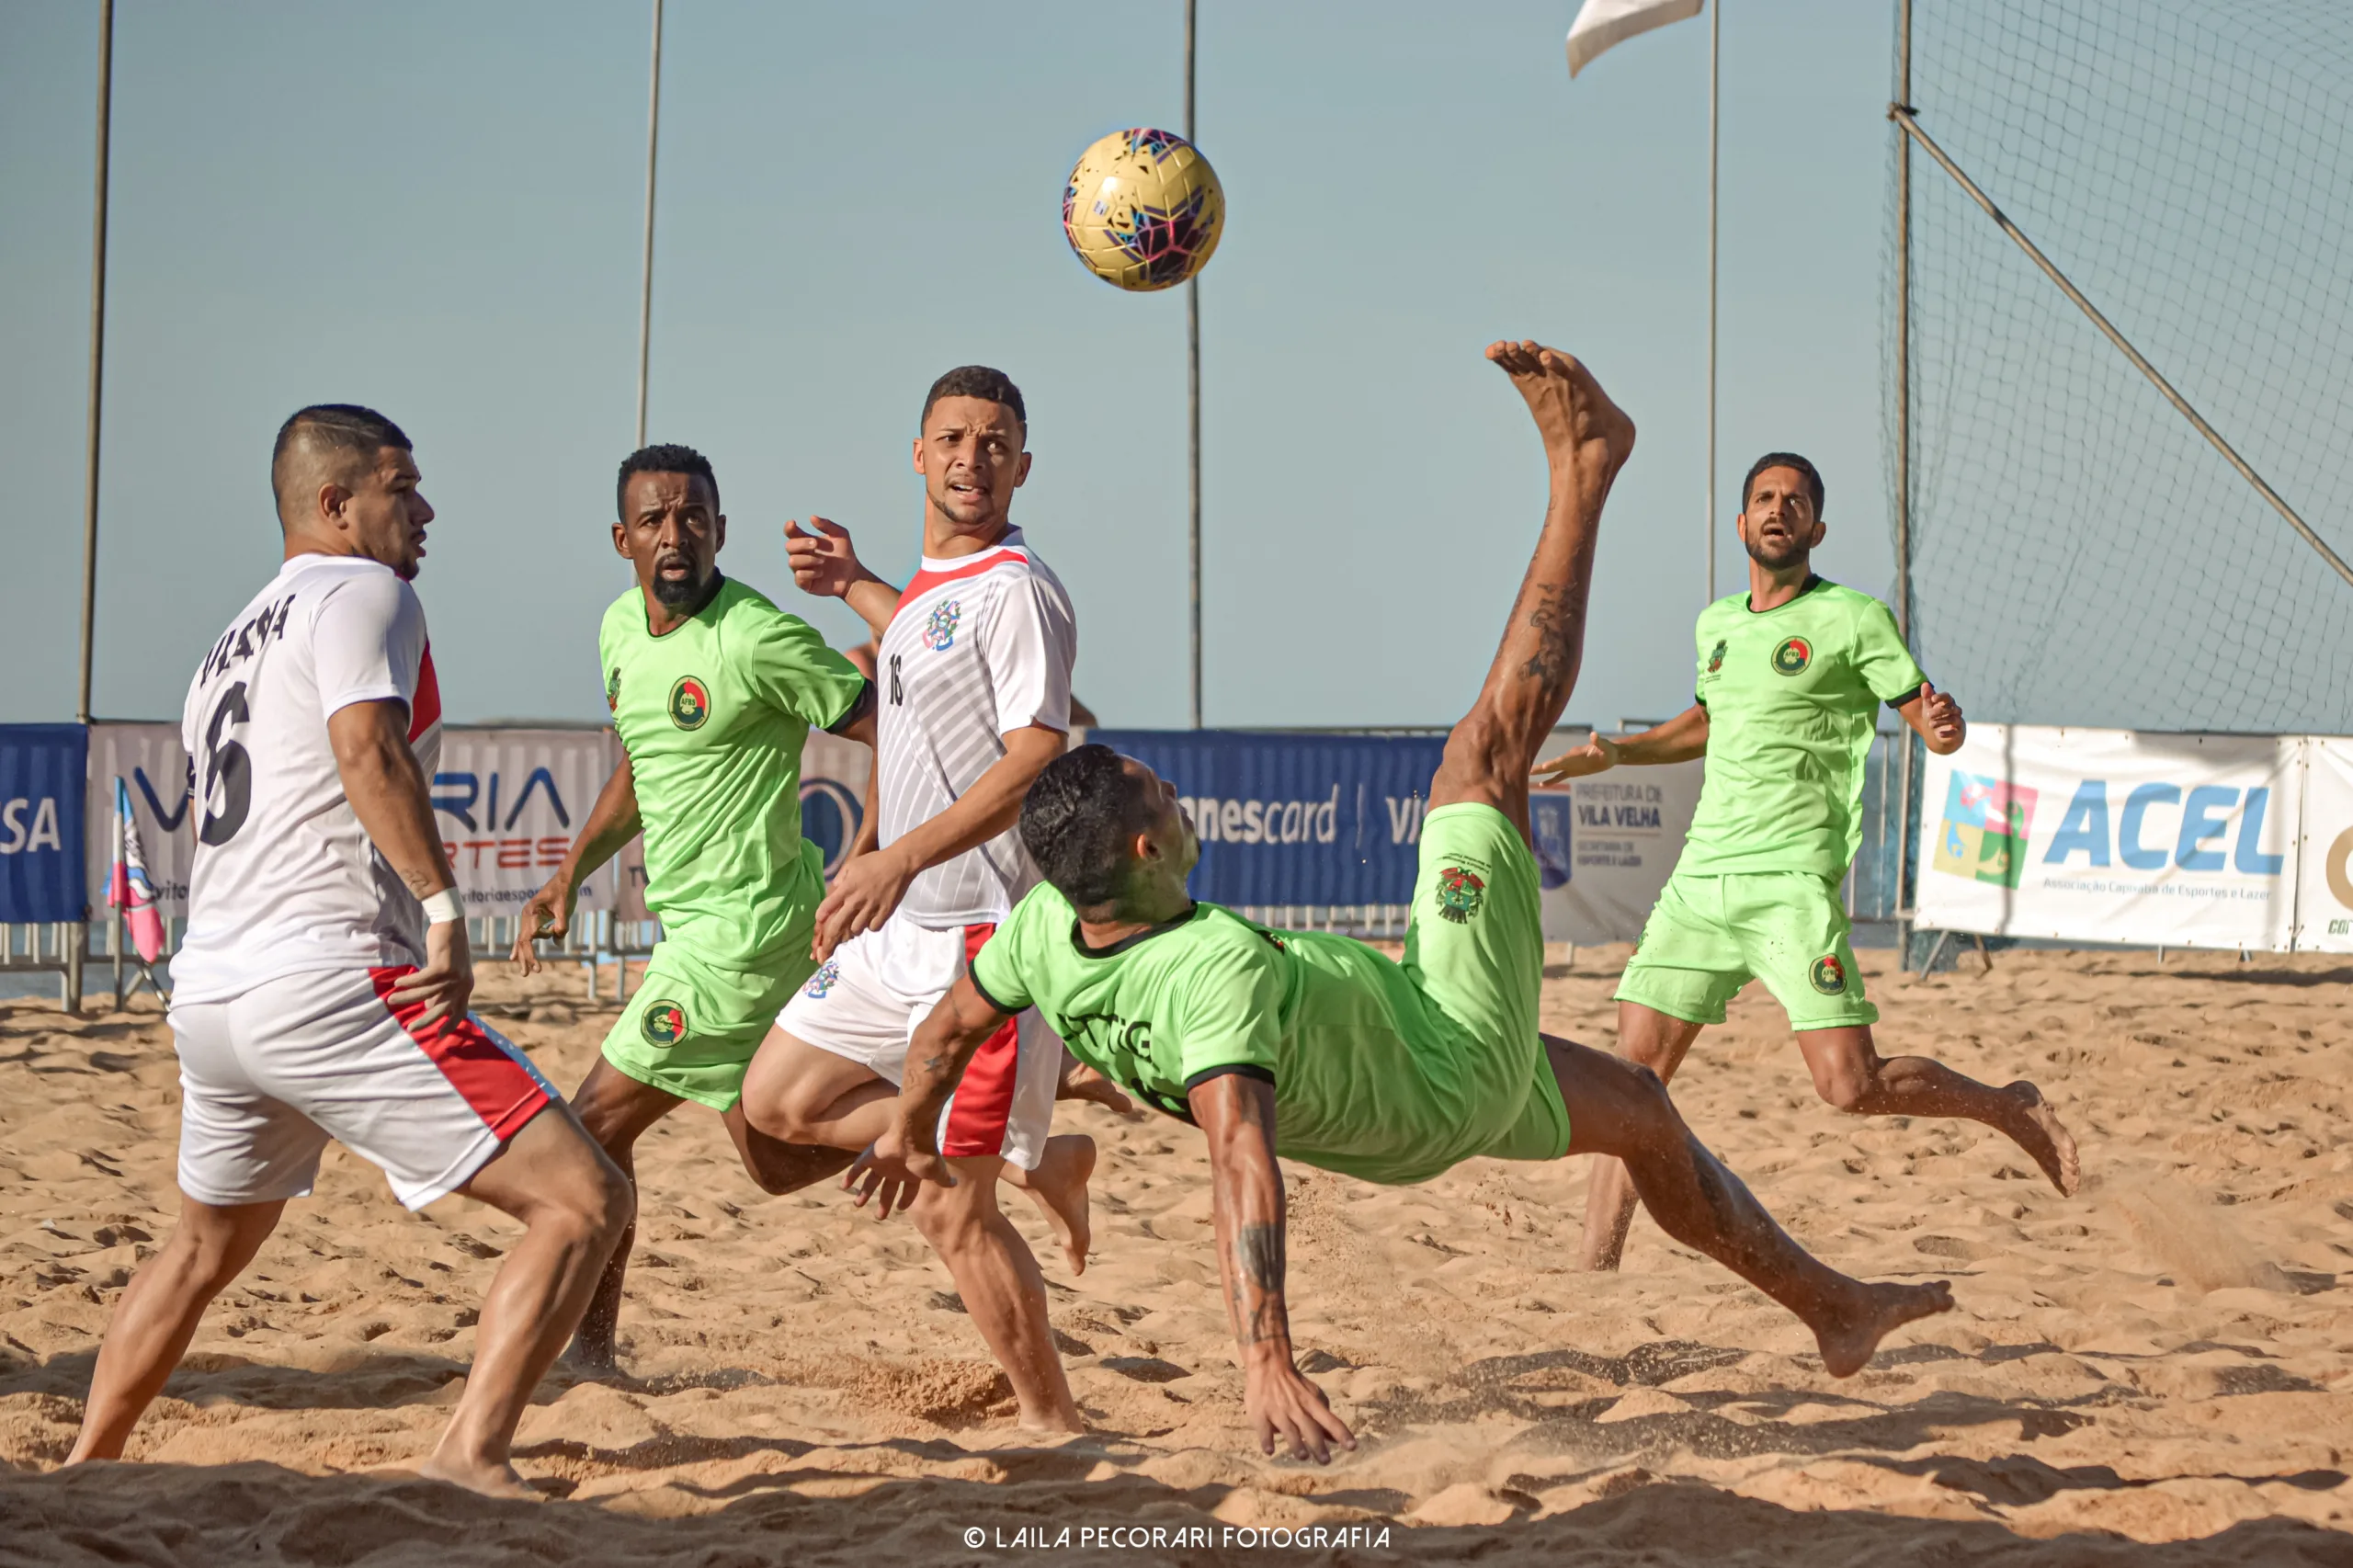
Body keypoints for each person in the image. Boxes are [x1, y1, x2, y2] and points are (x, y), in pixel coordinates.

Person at [847, 345, 1956, 1465]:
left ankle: (1832, 1307)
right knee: (1481, 756)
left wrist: (903, 1126)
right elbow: (1241, 1166)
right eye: (1160, 792)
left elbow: (945, 1027)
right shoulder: (1210, 973)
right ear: (1142, 846)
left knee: (1639, 1109)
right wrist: (1264, 1354)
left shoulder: (1042, 926)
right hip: (1448, 1060)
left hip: (1410, 1057)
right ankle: (1586, 466)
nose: (1178, 792)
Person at [64, 405, 632, 1498]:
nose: (424, 511)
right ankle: (471, 1451)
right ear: (336, 503)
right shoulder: (366, 591)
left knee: (196, 1251)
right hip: (329, 981)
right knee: (584, 1200)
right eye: (399, 487)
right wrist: (443, 908)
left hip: (214, 995)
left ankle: (85, 1467)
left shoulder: (226, 640)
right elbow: (366, 749)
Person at [1536, 451, 2080, 1274]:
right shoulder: (1715, 624)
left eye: (1795, 501)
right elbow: (1708, 720)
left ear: (1817, 529)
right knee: (1630, 1084)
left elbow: (1925, 716)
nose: (1777, 509)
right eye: (1764, 498)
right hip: (1700, 882)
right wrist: (1618, 752)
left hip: (1790, 883)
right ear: (1741, 523)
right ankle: (1594, 1272)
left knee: (1849, 1087)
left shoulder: (1855, 619)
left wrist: (1944, 727)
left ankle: (2008, 1108)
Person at [738, 366, 1114, 1434]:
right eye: (952, 437)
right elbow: (917, 644)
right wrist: (855, 579)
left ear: (1022, 466)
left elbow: (1036, 753)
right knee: (777, 1101)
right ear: (918, 452)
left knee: (951, 1209)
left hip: (983, 940)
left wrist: (894, 857)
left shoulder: (1017, 588)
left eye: (995, 443)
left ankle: (1058, 1427)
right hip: (899, 927)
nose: (971, 457)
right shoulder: (929, 598)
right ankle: (1024, 1153)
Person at [513, 443, 876, 1369]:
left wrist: (877, 852)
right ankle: (950, 1122)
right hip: (726, 935)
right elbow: (640, 766)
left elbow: (896, 729)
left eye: (692, 516)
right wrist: (568, 873)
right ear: (621, 538)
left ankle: (589, 1354)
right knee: (774, 1161)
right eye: (654, 519)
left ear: (720, 526)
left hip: (740, 939)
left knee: (592, 1129)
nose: (674, 535)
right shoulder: (617, 631)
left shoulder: (756, 635)